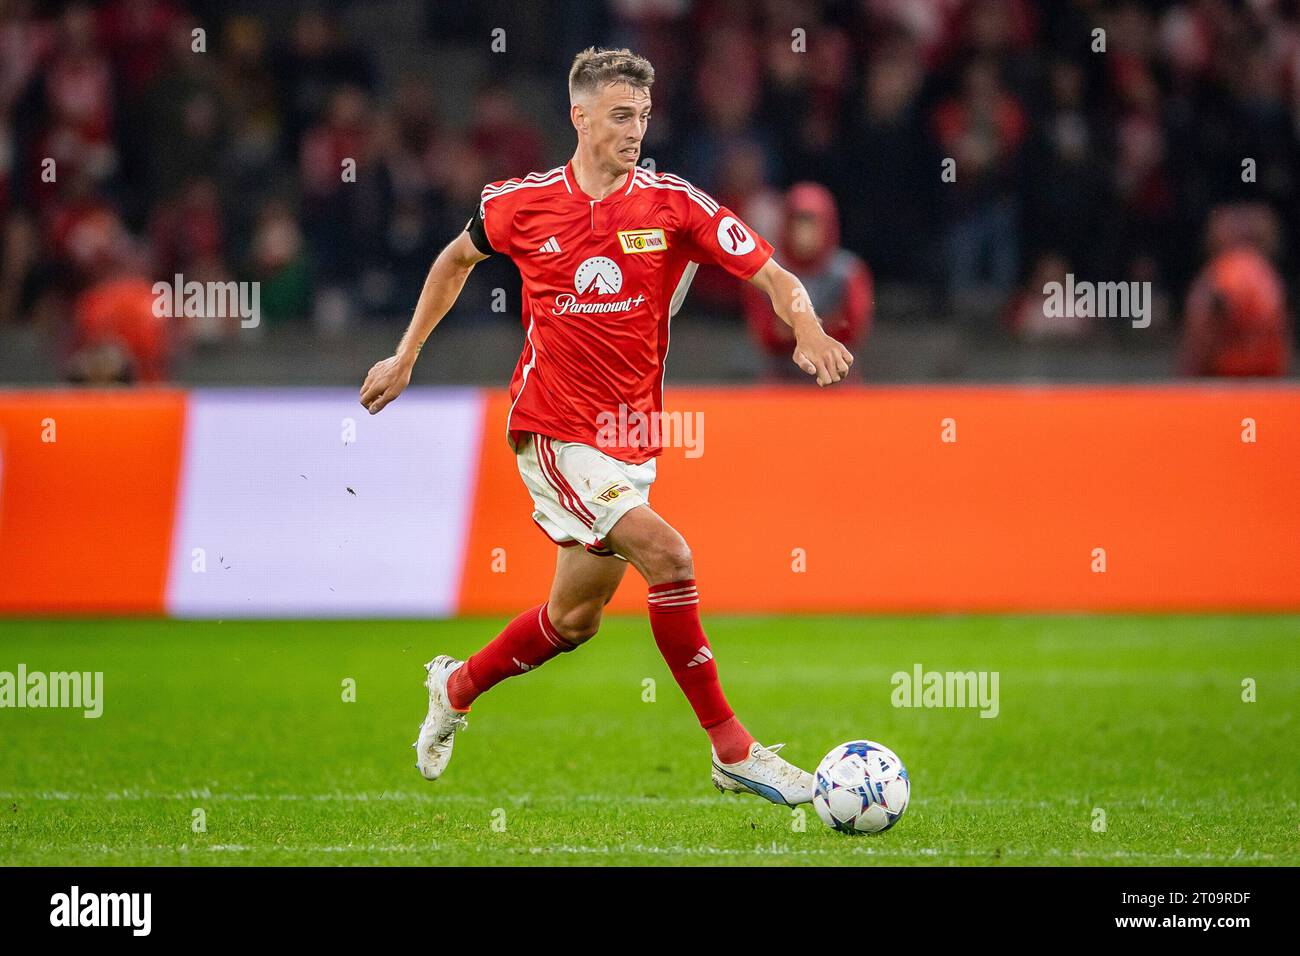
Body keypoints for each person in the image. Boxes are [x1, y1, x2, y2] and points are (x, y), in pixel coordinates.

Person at [360, 48, 853, 806]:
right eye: (621, 116)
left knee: (574, 618)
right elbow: (454, 262)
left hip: (629, 438)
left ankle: (454, 687)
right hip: (552, 429)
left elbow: (772, 272)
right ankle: (732, 748)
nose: (635, 130)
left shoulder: (671, 205)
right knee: (670, 555)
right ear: (579, 116)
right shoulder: (520, 203)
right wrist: (405, 356)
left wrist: (806, 326)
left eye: (644, 116)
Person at [744, 181, 871, 379]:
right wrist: (821, 327)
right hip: (781, 378)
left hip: (837, 376)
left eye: (812, 224)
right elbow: (764, 332)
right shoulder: (767, 271)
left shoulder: (848, 272)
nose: (804, 234)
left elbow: (853, 328)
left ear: (827, 225)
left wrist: (795, 328)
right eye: (798, 224)